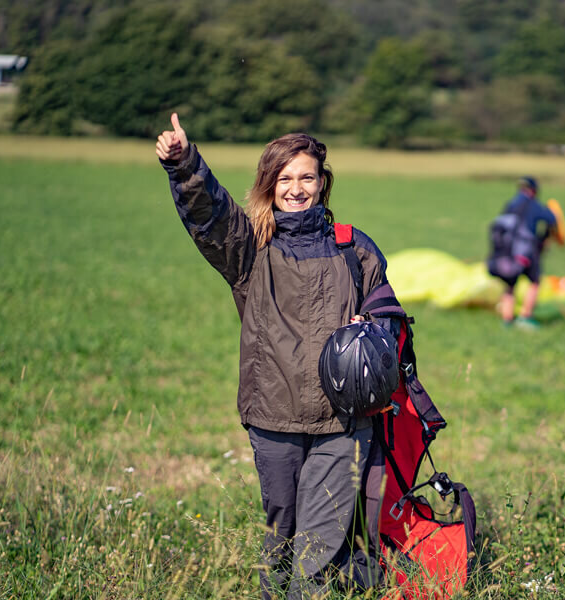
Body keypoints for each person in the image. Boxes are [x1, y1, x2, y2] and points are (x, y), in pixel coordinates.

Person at [156, 113, 388, 599]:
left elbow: (386, 313)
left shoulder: (354, 248)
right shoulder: (250, 247)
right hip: (273, 418)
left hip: (342, 424)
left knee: (317, 548)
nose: (297, 188)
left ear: (323, 183)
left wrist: (373, 333)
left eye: (307, 177)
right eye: (285, 178)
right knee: (281, 539)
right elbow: (211, 215)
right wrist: (184, 166)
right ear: (269, 184)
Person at [496, 176, 557, 330]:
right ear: (534, 190)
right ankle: (525, 316)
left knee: (510, 284)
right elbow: (551, 219)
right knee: (535, 282)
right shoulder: (534, 205)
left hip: (507, 251)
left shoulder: (511, 204)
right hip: (526, 252)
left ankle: (507, 320)